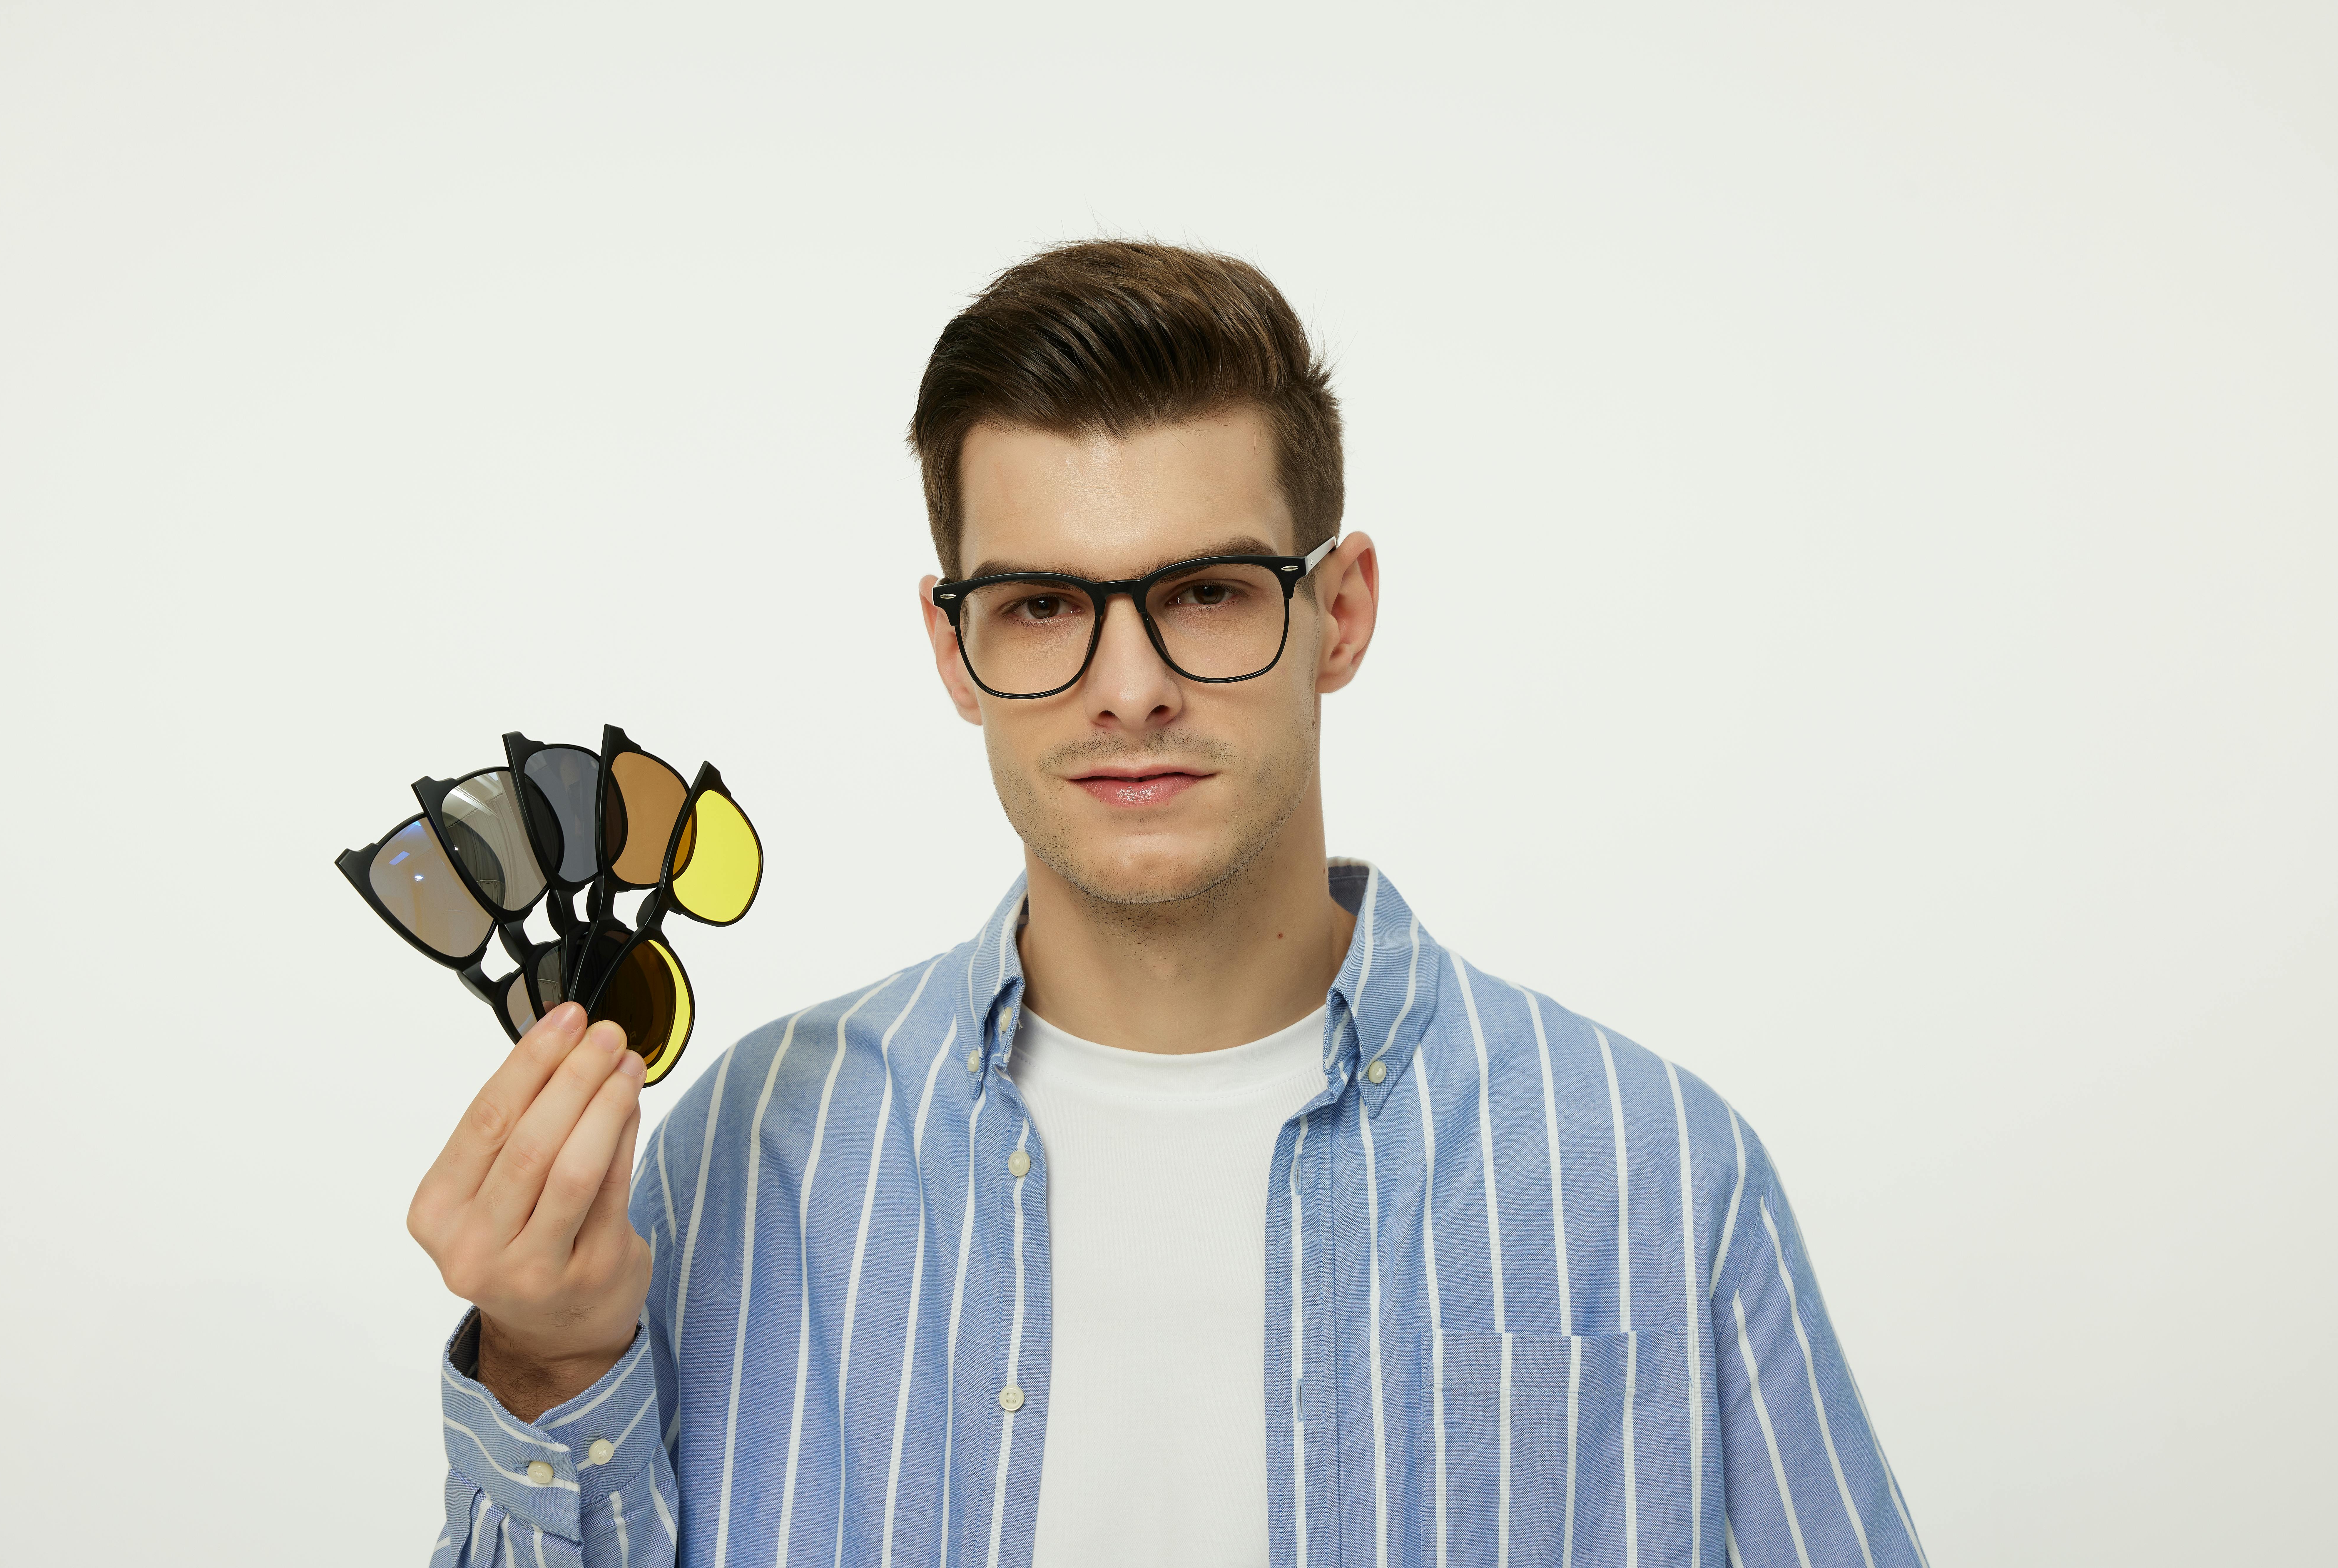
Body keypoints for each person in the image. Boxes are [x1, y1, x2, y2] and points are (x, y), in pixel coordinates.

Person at [408, 240, 1927, 1568]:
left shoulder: (1657, 1173)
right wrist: (550, 1361)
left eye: (1204, 590)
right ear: (954, 654)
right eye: (1044, 607)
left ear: (1338, 614)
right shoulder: (748, 1156)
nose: (1127, 690)